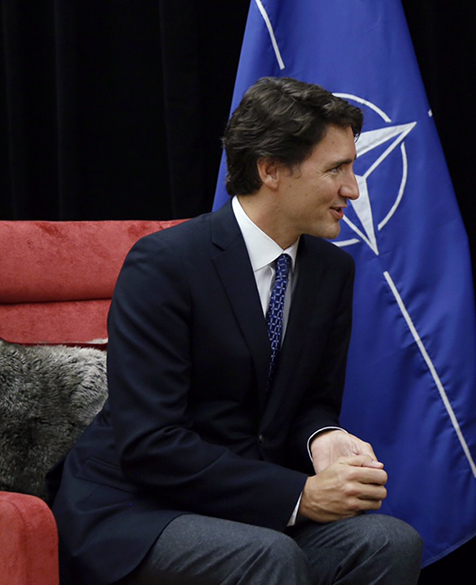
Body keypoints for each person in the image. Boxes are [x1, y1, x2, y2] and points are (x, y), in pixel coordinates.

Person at [48, 77, 423, 585]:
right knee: (269, 557)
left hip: (251, 507)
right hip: (138, 508)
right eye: (336, 168)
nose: (353, 189)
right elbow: (149, 442)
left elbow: (309, 400)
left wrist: (323, 436)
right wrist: (299, 496)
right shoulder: (165, 264)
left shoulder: (332, 272)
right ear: (270, 169)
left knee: (390, 542)